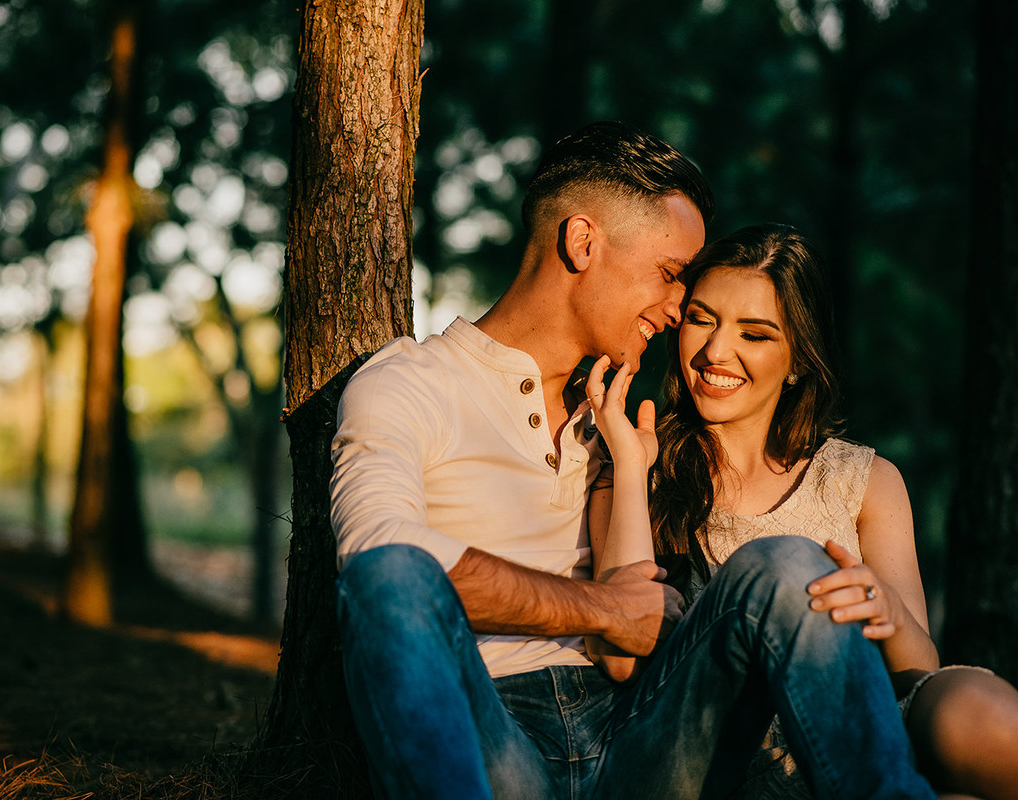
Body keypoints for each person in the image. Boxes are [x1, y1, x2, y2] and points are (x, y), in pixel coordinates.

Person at [331, 121, 936, 799]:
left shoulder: (614, 427)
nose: (681, 310)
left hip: (641, 742)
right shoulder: (408, 383)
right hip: (490, 737)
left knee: (790, 564)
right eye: (672, 275)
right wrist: (603, 609)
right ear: (582, 242)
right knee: (390, 574)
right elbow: (376, 556)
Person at [589, 222, 1018, 800]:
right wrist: (630, 471)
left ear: (797, 358)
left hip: (858, 740)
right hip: (711, 765)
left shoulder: (862, 481)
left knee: (971, 709)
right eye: (701, 319)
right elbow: (620, 663)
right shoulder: (634, 459)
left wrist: (886, 608)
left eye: (754, 333)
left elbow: (918, 669)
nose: (716, 352)